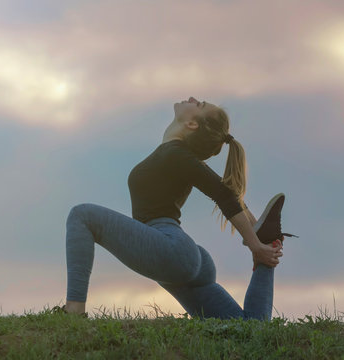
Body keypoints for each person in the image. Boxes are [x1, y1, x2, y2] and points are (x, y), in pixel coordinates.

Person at [60, 96, 284, 320]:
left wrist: (254, 246)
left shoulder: (177, 155)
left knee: (82, 216)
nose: (193, 99)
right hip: (185, 259)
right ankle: (265, 256)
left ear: (192, 124)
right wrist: (257, 233)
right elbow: (225, 192)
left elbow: (224, 195)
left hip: (173, 251)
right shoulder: (177, 156)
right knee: (245, 327)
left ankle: (74, 311)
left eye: (200, 105)